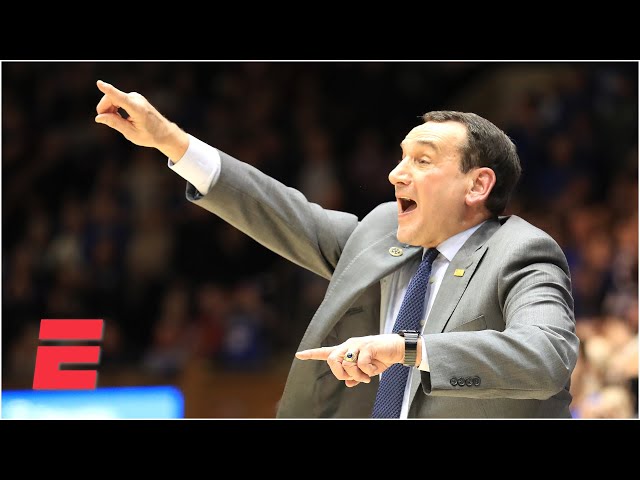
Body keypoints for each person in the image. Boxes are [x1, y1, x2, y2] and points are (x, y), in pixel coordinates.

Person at [94, 79, 580, 418]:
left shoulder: (521, 251)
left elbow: (546, 356)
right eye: (402, 157)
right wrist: (170, 141)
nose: (396, 173)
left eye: (422, 160)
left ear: (477, 185)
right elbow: (281, 211)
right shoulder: (383, 231)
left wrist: (408, 349)